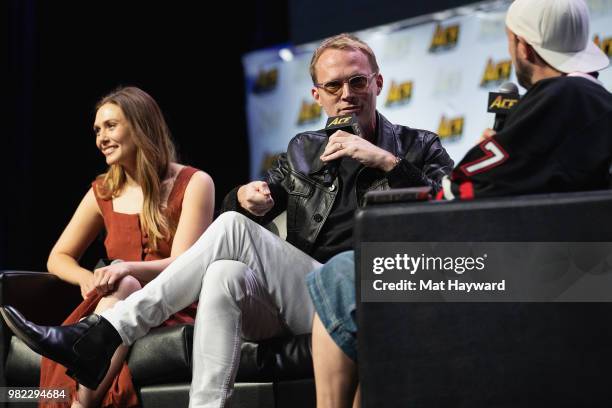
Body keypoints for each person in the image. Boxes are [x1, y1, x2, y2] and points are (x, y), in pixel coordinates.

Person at [1, 34, 453, 408]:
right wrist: (243, 198)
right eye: (333, 86)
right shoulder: (302, 150)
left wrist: (387, 162)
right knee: (223, 271)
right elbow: (241, 220)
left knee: (230, 241)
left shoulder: (418, 145)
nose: (347, 94)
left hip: (371, 289)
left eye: (357, 82)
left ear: (378, 82)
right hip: (305, 297)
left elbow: (453, 217)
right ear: (317, 96)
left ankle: (106, 333)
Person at [306, 0, 612, 406]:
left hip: (528, 273)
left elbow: (459, 193)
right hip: (567, 267)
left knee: (348, 272)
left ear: (522, 46)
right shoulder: (592, 97)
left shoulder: (561, 96)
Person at [38, 86, 215, 407]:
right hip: (114, 299)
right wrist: (85, 279)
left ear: (141, 126)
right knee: (124, 284)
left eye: (110, 126)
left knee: (127, 281)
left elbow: (185, 265)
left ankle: (82, 403)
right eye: (96, 130)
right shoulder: (103, 190)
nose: (100, 138)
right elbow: (58, 257)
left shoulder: (194, 182)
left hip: (171, 305)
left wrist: (125, 269)